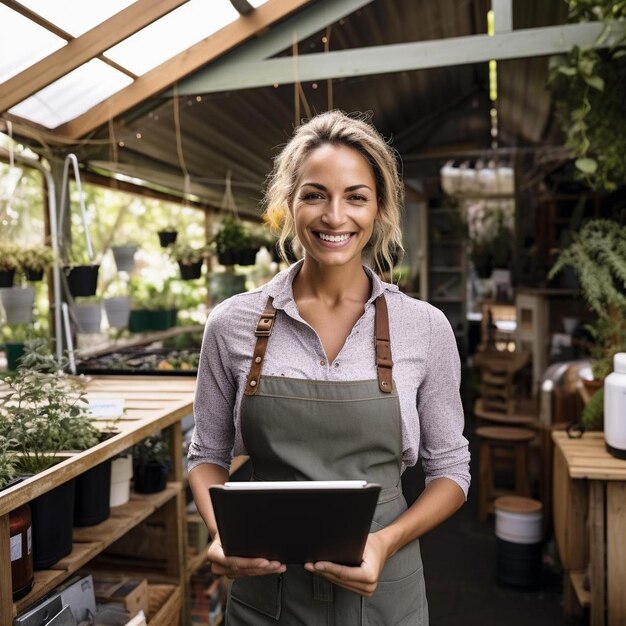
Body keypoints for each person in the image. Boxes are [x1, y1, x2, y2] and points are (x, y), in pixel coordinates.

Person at [188, 110, 470, 624]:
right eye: (315, 194)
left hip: (383, 589)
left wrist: (386, 542)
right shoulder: (232, 325)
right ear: (288, 204)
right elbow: (206, 455)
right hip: (266, 592)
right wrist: (222, 531)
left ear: (379, 209)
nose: (334, 216)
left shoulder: (424, 328)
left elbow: (451, 470)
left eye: (356, 197)